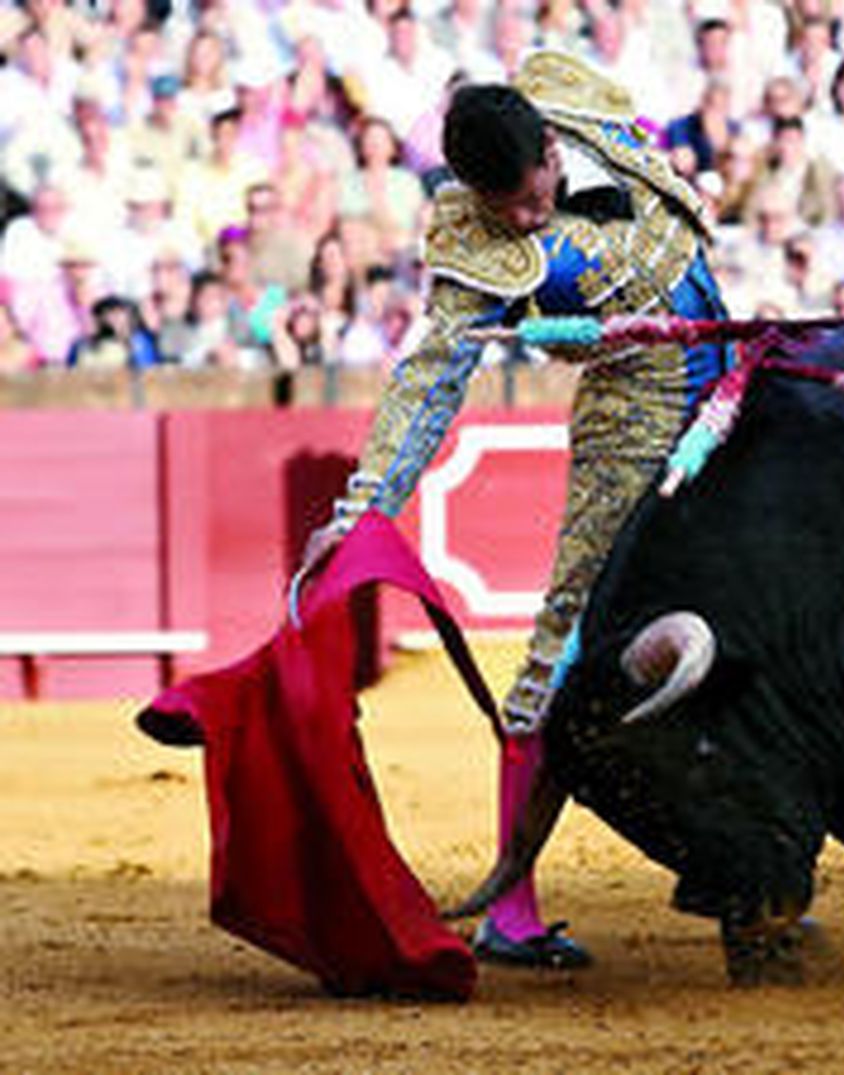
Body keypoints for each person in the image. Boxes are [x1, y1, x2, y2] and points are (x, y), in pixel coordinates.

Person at [296, 52, 730, 970]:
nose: (526, 221)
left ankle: (740, 863)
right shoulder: (472, 233)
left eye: (532, 199)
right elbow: (431, 375)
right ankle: (514, 910)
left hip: (736, 375)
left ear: (548, 144)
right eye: (507, 213)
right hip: (633, 419)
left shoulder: (572, 95)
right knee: (568, 639)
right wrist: (364, 503)